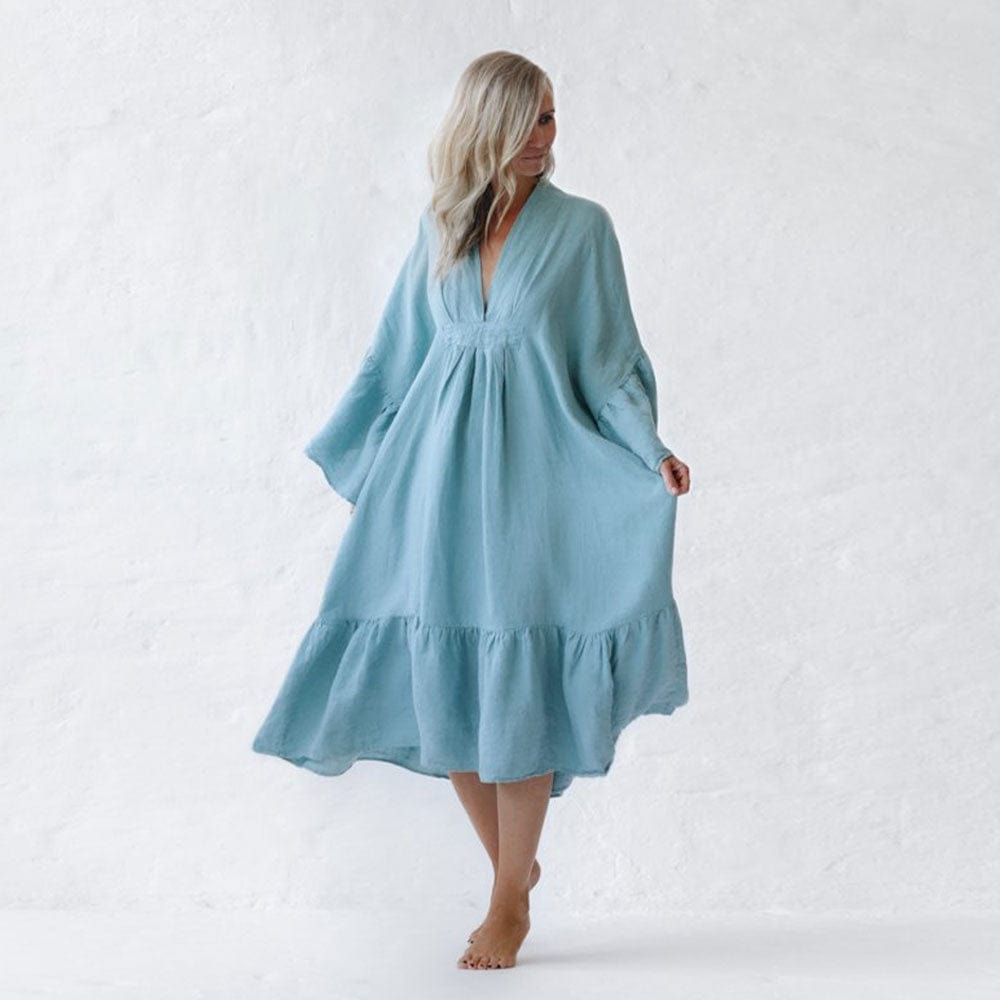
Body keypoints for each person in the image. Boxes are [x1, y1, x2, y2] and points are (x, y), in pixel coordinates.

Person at [251, 51, 692, 970]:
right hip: (436, 477)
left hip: (533, 480)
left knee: (516, 672)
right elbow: (398, 354)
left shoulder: (582, 229)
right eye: (528, 118)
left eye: (550, 117)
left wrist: (650, 448)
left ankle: (506, 902)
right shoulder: (441, 226)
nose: (544, 136)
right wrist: (364, 452)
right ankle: (512, 873)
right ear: (484, 124)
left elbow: (607, 362)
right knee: (444, 676)